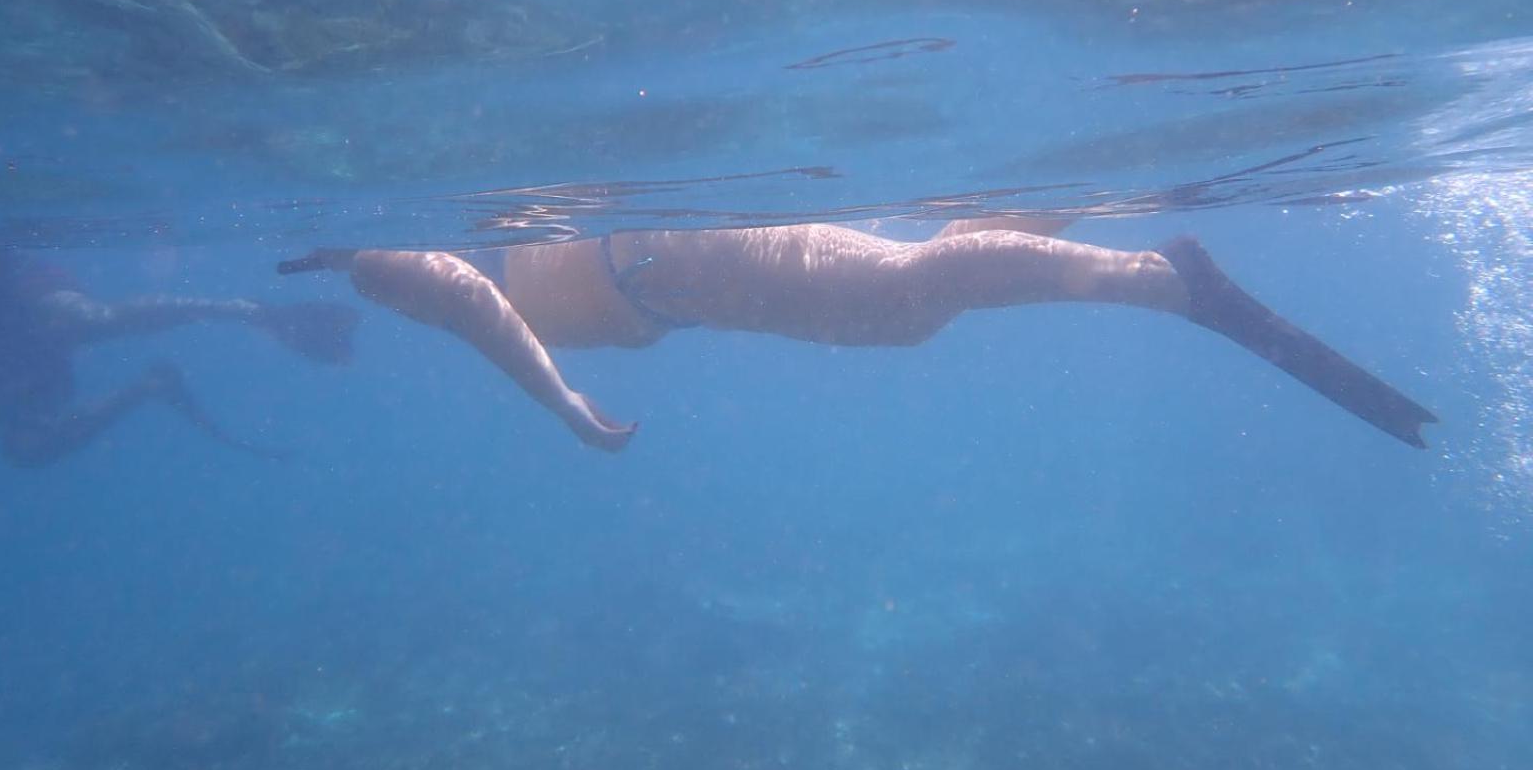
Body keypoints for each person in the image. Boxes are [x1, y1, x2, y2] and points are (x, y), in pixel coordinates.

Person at [278, 217, 1436, 452]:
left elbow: (467, 301)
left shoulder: (396, 261)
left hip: (674, 269)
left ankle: (1167, 284)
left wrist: (567, 409)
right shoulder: (427, 244)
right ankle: (1090, 242)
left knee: (906, 299)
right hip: (680, 280)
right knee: (906, 308)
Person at [0, 250, 358, 466]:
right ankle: (149, 387)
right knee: (26, 449)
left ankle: (247, 310)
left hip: (10, 290)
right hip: (7, 338)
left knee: (95, 317)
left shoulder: (2, 279)